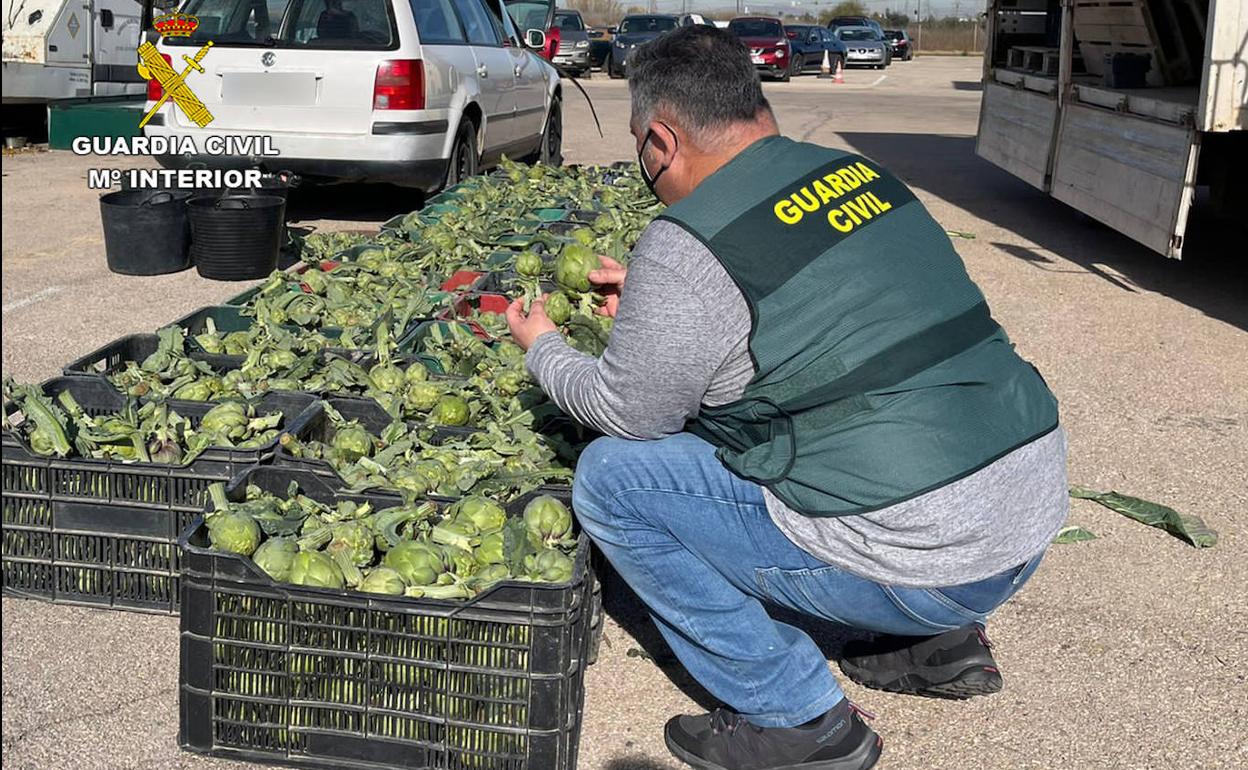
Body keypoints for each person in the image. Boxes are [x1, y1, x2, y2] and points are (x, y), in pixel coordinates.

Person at [506, 25, 1067, 770]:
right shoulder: (855, 175)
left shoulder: (687, 240)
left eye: (641, 142)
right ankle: (934, 648)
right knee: (877, 406)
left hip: (928, 559)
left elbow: (629, 414)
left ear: (661, 141)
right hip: (1022, 521)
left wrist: (542, 343)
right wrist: (657, 317)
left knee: (613, 481)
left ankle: (800, 719)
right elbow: (828, 341)